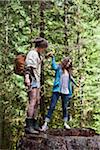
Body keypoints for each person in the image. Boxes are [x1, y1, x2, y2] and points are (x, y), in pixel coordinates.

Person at [41, 55, 79, 131]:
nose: (69, 64)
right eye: (68, 63)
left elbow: (71, 78)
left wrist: (76, 84)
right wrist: (53, 58)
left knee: (65, 108)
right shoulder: (59, 68)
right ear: (65, 62)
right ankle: (45, 124)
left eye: (70, 63)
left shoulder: (68, 71)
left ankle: (65, 123)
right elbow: (53, 66)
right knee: (52, 106)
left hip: (66, 92)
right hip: (57, 90)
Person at [24, 37, 48, 134]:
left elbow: (38, 62)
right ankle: (29, 125)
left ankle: (34, 123)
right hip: (32, 79)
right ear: (40, 47)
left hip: (36, 80)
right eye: (44, 48)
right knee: (32, 101)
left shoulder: (37, 54)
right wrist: (27, 78)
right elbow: (28, 67)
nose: (44, 50)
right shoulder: (32, 53)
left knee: (37, 101)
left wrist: (46, 57)